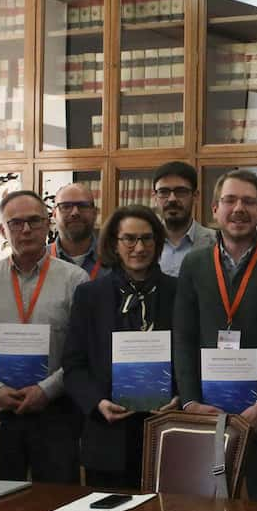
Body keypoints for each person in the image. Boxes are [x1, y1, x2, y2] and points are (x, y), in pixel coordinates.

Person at [173, 169, 257, 502]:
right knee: (204, 509)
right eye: (230, 200)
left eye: (249, 202)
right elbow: (184, 336)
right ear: (214, 208)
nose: (239, 209)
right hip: (208, 409)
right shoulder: (194, 264)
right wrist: (190, 401)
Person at [0, 190, 89, 482]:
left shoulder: (75, 280)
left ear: (48, 224)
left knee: (58, 509)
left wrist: (46, 390)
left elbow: (84, 352)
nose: (26, 230)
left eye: (34, 221)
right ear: (1, 230)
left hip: (56, 413)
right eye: (15, 223)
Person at [64, 205, 177, 488]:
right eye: (129, 239)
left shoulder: (179, 292)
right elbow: (74, 366)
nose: (139, 247)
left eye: (147, 238)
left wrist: (180, 396)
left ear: (157, 242)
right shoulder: (90, 295)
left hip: (167, 432)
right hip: (107, 435)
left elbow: (192, 357)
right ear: (115, 243)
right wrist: (97, 403)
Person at [153, 161, 216, 278]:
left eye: (181, 191)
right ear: (155, 197)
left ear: (195, 196)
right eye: (164, 192)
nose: (172, 199)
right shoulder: (144, 243)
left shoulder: (216, 243)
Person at [51, 182, 103, 279]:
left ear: (95, 213)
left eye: (83, 206)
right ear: (54, 214)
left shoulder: (114, 260)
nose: (75, 213)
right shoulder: (38, 260)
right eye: (66, 206)